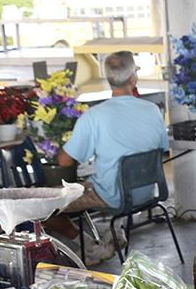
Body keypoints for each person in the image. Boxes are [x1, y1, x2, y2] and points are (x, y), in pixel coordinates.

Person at [49, 51, 169, 264]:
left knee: (42, 203)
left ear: (108, 78)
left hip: (112, 197)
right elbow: (160, 149)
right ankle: (116, 230)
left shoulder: (95, 116)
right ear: (133, 78)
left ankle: (91, 246)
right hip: (147, 192)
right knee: (108, 178)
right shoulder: (153, 110)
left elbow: (64, 162)